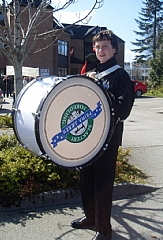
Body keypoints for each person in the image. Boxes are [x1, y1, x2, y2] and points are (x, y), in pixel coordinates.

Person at [70, 30, 135, 240]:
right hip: (89, 137)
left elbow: (124, 111)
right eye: (98, 47)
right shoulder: (93, 73)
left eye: (106, 46)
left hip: (108, 139)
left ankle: (104, 230)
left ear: (114, 49)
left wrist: (100, 90)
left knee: (103, 185)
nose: (101, 50)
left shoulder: (121, 76)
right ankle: (91, 218)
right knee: (86, 181)